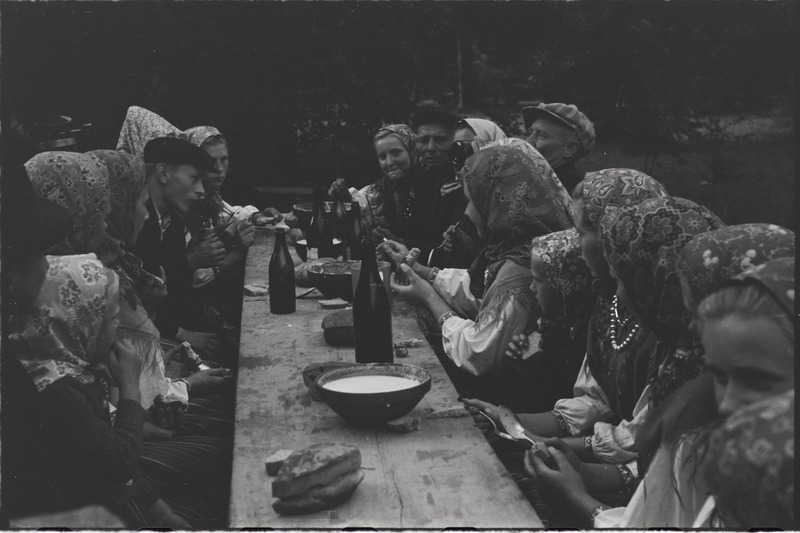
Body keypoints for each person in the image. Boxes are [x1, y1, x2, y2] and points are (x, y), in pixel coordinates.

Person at [0, 191, 188, 527]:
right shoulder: (55, 387)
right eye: (111, 319)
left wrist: (163, 512)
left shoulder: (69, 369)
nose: (45, 266)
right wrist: (129, 388)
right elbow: (117, 462)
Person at [25, 150, 235, 436]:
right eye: (106, 214)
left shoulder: (110, 264)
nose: (146, 214)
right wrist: (184, 384)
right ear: (83, 214)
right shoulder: (77, 280)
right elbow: (128, 397)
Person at [387, 137, 572, 381]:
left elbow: (477, 354)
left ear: (497, 198)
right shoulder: (513, 245)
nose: (466, 210)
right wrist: (420, 269)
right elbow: (483, 298)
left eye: (473, 199)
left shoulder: (522, 267)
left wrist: (429, 298)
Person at [130, 137, 228, 361]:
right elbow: (141, 293)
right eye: (194, 179)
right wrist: (182, 334)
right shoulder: (137, 222)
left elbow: (175, 290)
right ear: (163, 174)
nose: (202, 190)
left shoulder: (172, 219)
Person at [521, 102, 595, 193]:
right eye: (530, 132)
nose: (527, 141)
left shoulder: (564, 185)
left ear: (569, 149)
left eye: (541, 135)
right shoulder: (540, 175)